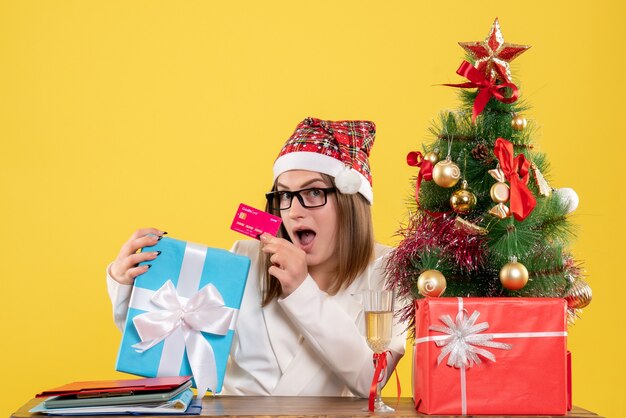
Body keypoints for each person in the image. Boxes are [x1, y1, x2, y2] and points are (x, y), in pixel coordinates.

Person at [106, 117, 407, 397]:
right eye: (285, 195)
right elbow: (170, 344)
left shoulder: (390, 270)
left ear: (350, 200)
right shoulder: (245, 258)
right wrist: (127, 286)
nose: (294, 210)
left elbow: (372, 379)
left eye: (313, 193)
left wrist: (302, 291)